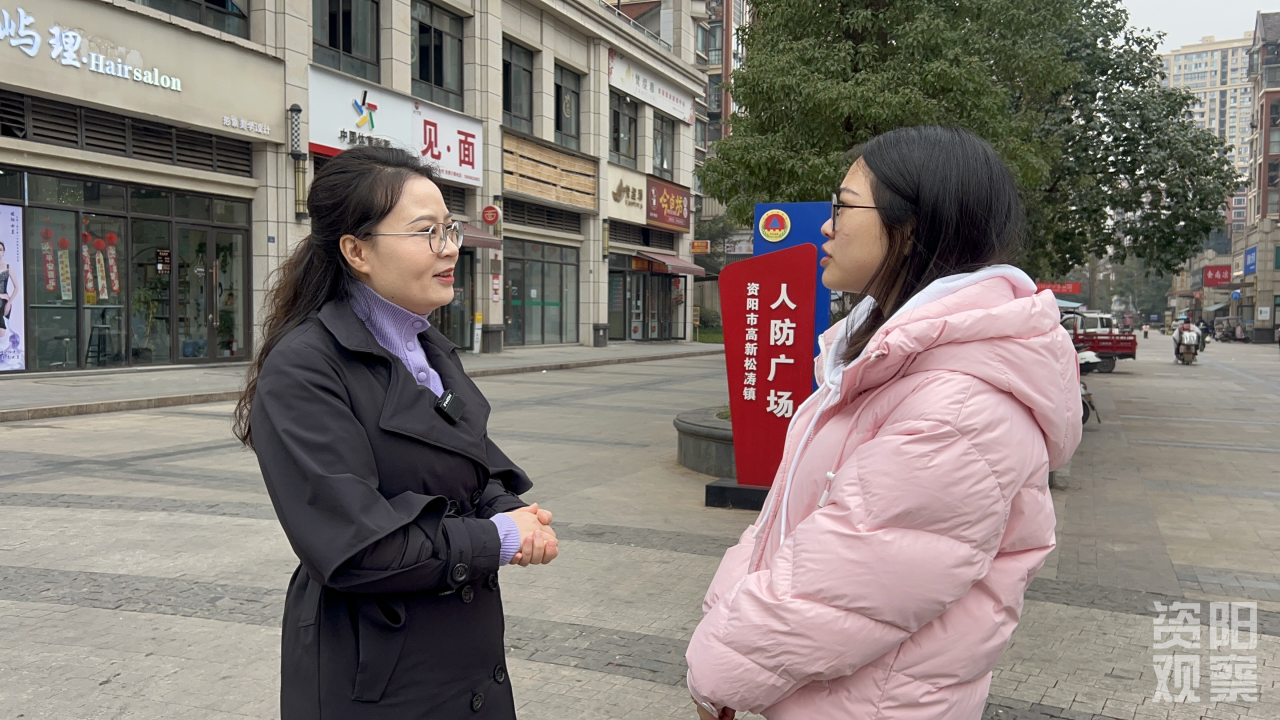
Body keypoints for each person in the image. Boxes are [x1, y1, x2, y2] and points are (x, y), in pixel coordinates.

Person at [685, 127, 1081, 720]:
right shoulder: (883, 362)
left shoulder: (958, 407)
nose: (826, 227)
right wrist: (724, 620)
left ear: (911, 226)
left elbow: (843, 582)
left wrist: (717, 673)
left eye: (843, 207)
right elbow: (784, 524)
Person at [233, 146, 558, 719]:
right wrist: (498, 538)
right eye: (426, 231)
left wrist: (513, 512)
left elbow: (470, 464)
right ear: (356, 251)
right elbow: (356, 546)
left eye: (450, 228)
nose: (450, 247)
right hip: (374, 677)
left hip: (463, 665)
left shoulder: (426, 346)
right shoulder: (305, 367)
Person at [0, 240, 18, 343]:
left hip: (4, 303)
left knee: (2, 332)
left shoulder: (8, 267)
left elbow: (16, 287)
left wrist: (9, 302)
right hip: (2, 298)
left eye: (0, 250)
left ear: (4, 252)